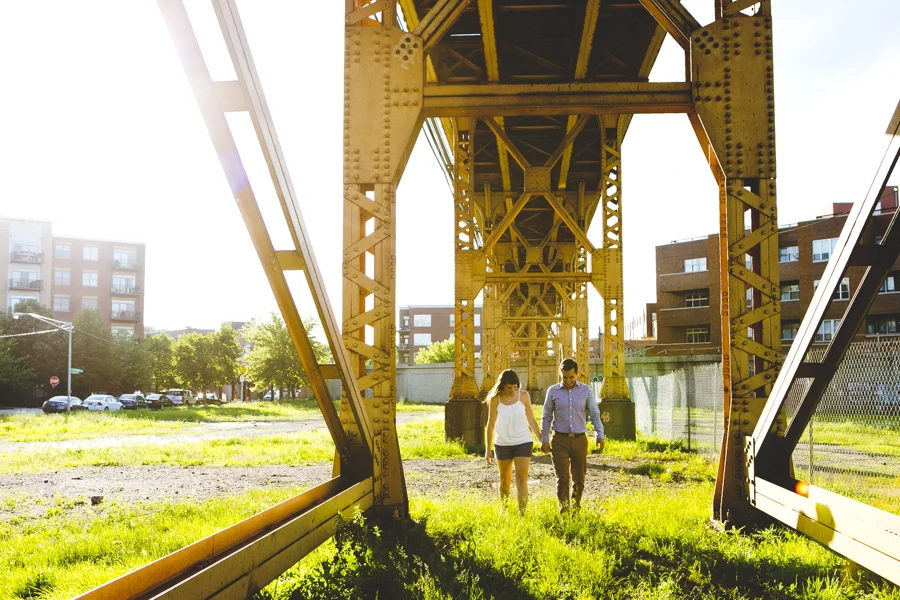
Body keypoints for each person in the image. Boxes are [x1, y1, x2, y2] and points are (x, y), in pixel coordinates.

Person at [540, 358, 605, 512]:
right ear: (560, 375)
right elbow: (546, 416)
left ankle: (576, 508)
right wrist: (544, 439)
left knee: (579, 478)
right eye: (564, 377)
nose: (568, 381)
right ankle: (564, 511)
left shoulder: (586, 391)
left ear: (577, 374)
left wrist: (599, 433)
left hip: (579, 439)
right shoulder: (553, 391)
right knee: (562, 478)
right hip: (559, 439)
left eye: (571, 377)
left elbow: (594, 414)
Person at [484, 369, 543, 514]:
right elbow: (490, 424)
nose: (512, 391)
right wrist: (488, 448)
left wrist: (542, 439)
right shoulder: (495, 399)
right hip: (502, 444)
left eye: (515, 387)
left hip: (523, 441)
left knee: (521, 478)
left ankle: (522, 513)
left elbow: (531, 419)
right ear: (502, 385)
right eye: (509, 388)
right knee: (504, 480)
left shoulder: (524, 396)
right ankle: (504, 509)